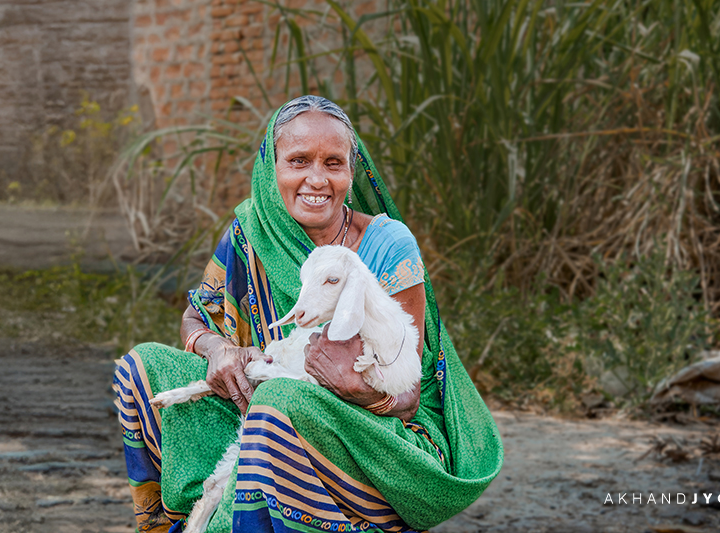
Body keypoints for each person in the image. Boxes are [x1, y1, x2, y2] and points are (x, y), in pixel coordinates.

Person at [113, 95, 503, 533]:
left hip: (378, 433)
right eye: (298, 160)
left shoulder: (387, 245)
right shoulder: (250, 234)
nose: (316, 180)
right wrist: (218, 349)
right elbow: (195, 318)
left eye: (333, 163)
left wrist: (357, 389)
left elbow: (409, 394)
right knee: (144, 367)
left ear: (351, 174)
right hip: (265, 401)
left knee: (280, 402)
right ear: (271, 167)